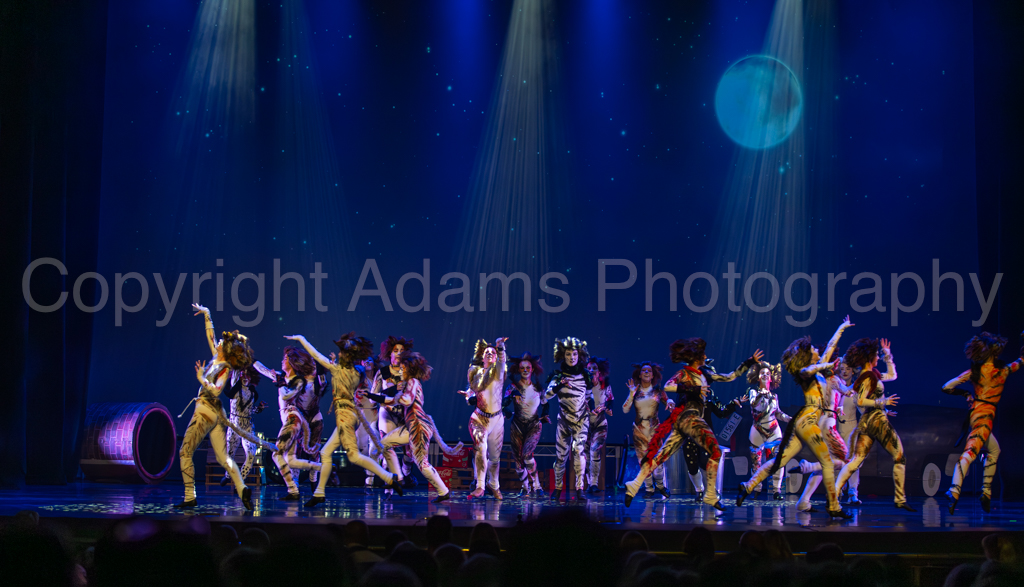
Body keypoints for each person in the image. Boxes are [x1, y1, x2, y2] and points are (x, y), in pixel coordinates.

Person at [737, 316, 855, 520]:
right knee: (827, 462)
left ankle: (748, 486)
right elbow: (809, 369)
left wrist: (841, 328)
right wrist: (824, 365)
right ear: (808, 356)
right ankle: (834, 506)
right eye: (814, 350)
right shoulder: (806, 372)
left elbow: (829, 347)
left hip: (803, 422)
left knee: (779, 461)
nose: (818, 350)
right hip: (808, 421)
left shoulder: (819, 371)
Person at [625, 338, 761, 510]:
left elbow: (730, 376)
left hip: (684, 421)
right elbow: (668, 386)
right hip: (689, 417)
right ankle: (710, 494)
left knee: (661, 455)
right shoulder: (684, 373)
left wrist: (749, 362)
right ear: (697, 357)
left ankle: (634, 484)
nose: (705, 356)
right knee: (715, 451)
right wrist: (693, 389)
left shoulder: (705, 375)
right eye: (703, 354)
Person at [283, 332, 403, 508]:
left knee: (353, 456)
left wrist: (301, 339)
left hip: (345, 416)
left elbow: (315, 354)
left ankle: (389, 477)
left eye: (341, 352)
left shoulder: (339, 370)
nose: (339, 353)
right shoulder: (357, 371)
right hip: (349, 414)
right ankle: (319, 493)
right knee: (325, 453)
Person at [942, 331, 1023, 513]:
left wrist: (965, 393)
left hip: (977, 413)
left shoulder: (974, 373)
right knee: (971, 451)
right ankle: (954, 489)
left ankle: (985, 492)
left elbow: (946, 387)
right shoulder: (1002, 371)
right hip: (984, 416)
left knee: (994, 450)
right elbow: (1018, 363)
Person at [834, 338, 914, 511]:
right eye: (876, 354)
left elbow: (892, 375)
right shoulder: (866, 377)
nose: (878, 357)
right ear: (869, 357)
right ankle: (900, 499)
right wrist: (882, 403)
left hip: (869, 420)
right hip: (876, 421)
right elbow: (861, 401)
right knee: (898, 456)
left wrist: (887, 355)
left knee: (855, 461)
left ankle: (837, 493)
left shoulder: (872, 375)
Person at [379, 352, 454, 503]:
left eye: (402, 369)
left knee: (422, 464)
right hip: (411, 427)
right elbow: (396, 400)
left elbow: (407, 400)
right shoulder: (408, 384)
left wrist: (397, 396)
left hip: (419, 427)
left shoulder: (413, 382)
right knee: (385, 443)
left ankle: (444, 491)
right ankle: (399, 477)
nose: (400, 371)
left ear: (409, 369)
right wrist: (376, 396)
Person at [544, 337, 594, 503]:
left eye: (574, 354)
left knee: (579, 451)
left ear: (579, 355)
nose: (572, 357)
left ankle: (580, 488)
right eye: (568, 354)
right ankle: (558, 488)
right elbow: (546, 396)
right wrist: (560, 385)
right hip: (564, 422)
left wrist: (593, 408)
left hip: (581, 420)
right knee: (561, 457)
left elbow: (589, 396)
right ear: (562, 356)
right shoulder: (558, 376)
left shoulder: (585, 375)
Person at [460, 337, 509, 500]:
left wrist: (500, 347)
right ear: (482, 357)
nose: (489, 353)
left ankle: (493, 485)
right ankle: (480, 485)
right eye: (486, 352)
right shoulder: (475, 373)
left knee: (495, 458)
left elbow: (502, 362)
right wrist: (469, 397)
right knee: (481, 447)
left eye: (492, 352)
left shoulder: (498, 372)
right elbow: (472, 391)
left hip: (497, 420)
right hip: (479, 419)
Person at [740, 361, 789, 500]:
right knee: (756, 462)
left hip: (773, 430)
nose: (765, 375)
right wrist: (761, 394)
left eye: (768, 373)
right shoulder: (753, 392)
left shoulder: (774, 396)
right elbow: (753, 404)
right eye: (762, 373)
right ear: (758, 377)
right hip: (757, 430)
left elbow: (778, 413)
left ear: (771, 378)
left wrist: (790, 419)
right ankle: (757, 488)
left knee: (778, 460)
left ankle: (776, 490)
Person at [622, 362, 671, 499]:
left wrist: (670, 402)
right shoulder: (635, 391)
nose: (646, 372)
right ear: (639, 374)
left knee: (657, 461)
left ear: (653, 375)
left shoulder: (658, 392)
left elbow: (668, 401)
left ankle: (660, 485)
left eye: (649, 370)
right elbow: (625, 410)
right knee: (643, 461)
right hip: (639, 430)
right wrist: (631, 394)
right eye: (643, 370)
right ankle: (649, 488)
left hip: (654, 429)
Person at [505, 352, 549, 497]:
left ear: (532, 369)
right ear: (518, 370)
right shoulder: (513, 387)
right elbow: (503, 404)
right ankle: (525, 487)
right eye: (522, 368)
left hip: (533, 425)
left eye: (528, 368)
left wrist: (545, 415)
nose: (525, 370)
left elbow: (545, 404)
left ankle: (537, 485)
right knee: (518, 461)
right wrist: (512, 398)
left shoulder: (538, 388)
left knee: (527, 455)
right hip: (517, 426)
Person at [584, 357, 614, 492]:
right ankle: (589, 482)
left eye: (594, 368)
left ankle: (594, 483)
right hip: (584, 425)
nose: (591, 371)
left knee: (594, 450)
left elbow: (610, 400)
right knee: (585, 455)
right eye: (589, 368)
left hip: (600, 424)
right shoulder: (582, 387)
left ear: (599, 371)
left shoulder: (605, 386)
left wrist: (608, 409)